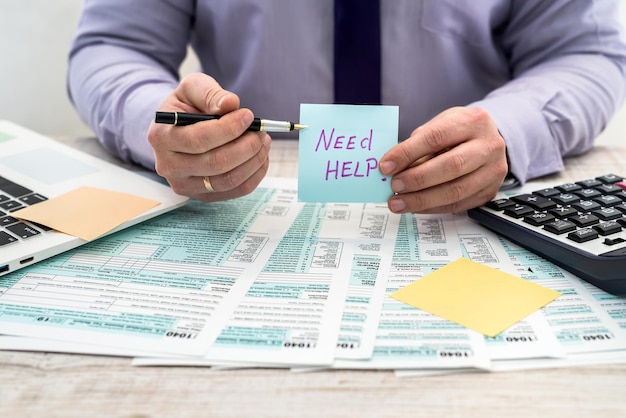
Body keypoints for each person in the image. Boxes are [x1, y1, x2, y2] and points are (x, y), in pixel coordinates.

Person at [68, 1, 626, 214]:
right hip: (244, 208)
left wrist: (507, 132)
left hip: (469, 209)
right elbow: (115, 45)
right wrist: (164, 127)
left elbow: (584, 53)